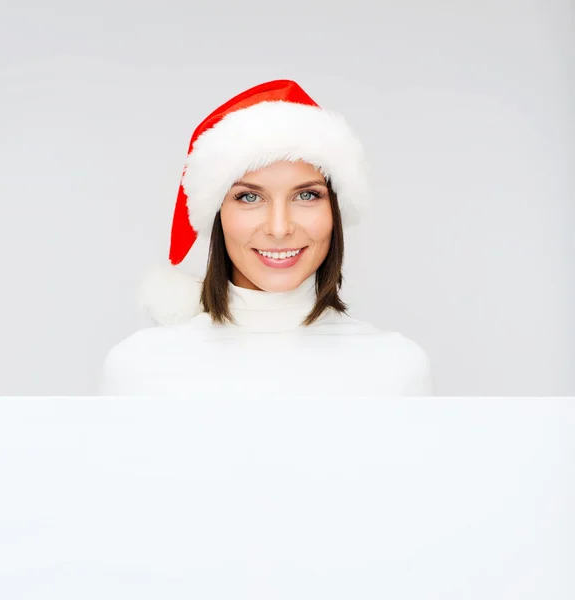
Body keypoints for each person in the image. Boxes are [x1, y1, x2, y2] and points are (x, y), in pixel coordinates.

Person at [100, 79, 433, 396]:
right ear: (217, 215)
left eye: (306, 196)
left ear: (335, 210)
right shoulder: (140, 367)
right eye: (249, 197)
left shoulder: (396, 368)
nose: (279, 228)